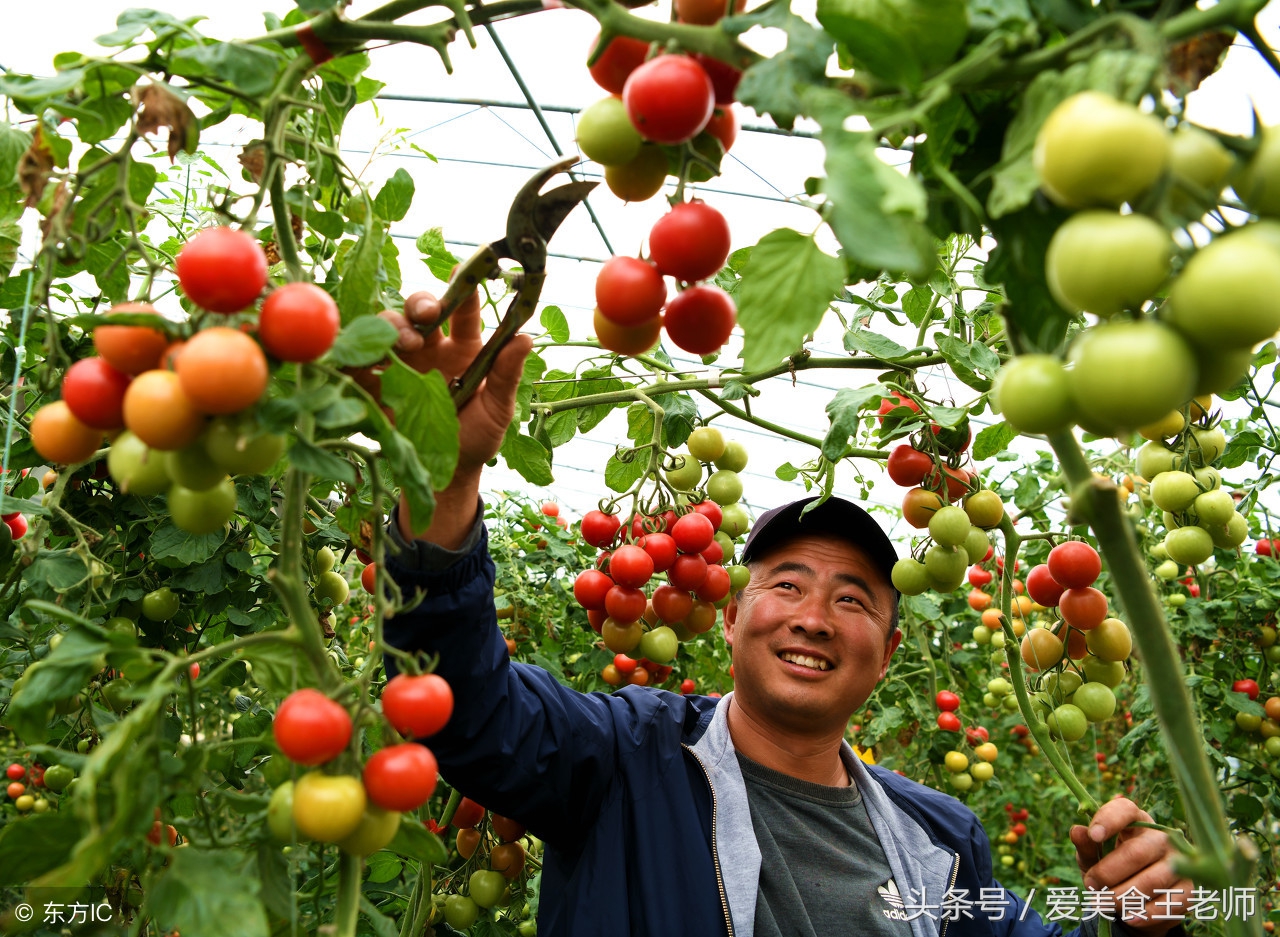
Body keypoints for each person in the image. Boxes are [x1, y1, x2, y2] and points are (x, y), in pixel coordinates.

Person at [377, 289, 1192, 937]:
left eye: (851, 599)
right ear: (732, 618)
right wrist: (447, 485)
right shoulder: (621, 758)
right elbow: (463, 707)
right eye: (788, 585)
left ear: (887, 648)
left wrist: (1138, 919)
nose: (815, 616)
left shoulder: (941, 841)